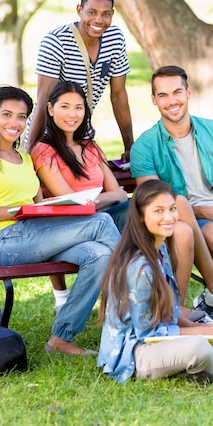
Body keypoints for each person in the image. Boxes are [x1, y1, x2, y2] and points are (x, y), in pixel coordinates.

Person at [0, 86, 121, 356]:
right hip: (4, 242)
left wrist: (46, 208)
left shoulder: (23, 158)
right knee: (102, 222)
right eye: (7, 115)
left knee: (99, 254)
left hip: (34, 234)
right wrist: (18, 210)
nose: (15, 123)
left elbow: (39, 205)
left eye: (22, 117)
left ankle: (60, 339)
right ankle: (142, 308)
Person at [97, 179, 213, 384]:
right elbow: (148, 333)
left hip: (164, 340)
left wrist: (210, 328)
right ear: (141, 216)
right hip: (136, 353)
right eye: (158, 211)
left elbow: (168, 312)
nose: (168, 217)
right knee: (200, 348)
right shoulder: (139, 267)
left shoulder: (160, 249)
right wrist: (202, 331)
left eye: (172, 209)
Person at [130, 65, 213, 310]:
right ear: (153, 100)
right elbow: (154, 205)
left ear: (188, 92)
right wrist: (205, 212)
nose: (172, 101)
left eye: (177, 92)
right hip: (180, 219)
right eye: (163, 95)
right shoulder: (145, 147)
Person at [31, 80, 129, 314]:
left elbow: (120, 194)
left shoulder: (90, 146)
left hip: (102, 220)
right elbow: (71, 201)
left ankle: (162, 294)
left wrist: (98, 201)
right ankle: (129, 297)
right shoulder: (43, 151)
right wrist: (105, 199)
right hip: (68, 227)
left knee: (140, 211)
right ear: (51, 109)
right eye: (64, 106)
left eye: (78, 107)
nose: (72, 114)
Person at [26, 0, 134, 159]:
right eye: (92, 12)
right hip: (47, 136)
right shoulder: (56, 42)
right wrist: (31, 152)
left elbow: (119, 95)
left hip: (81, 133)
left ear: (112, 14)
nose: (99, 20)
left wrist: (130, 146)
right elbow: (43, 100)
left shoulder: (115, 39)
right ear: (79, 10)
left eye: (105, 14)